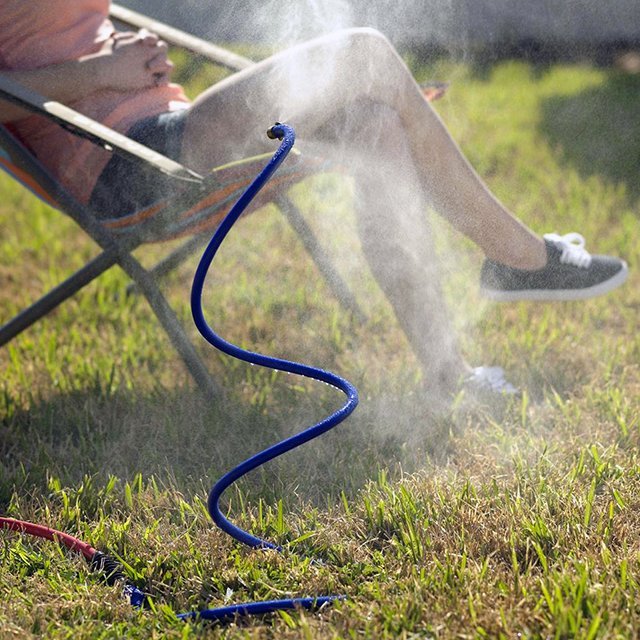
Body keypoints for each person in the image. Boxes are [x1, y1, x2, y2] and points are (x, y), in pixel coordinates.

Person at [0, 0, 628, 400]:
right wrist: (102, 75)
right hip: (130, 163)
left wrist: (124, 60)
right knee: (366, 50)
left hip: (174, 129)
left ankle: (447, 374)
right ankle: (517, 256)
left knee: (378, 124)